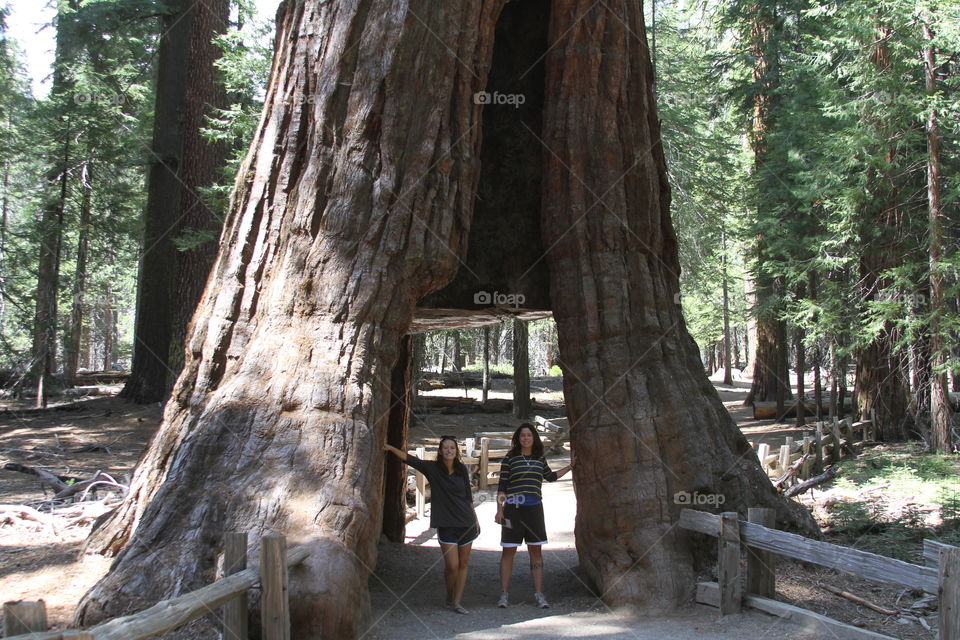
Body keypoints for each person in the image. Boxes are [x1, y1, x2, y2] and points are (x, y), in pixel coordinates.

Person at [384, 436, 480, 614]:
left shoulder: (461, 470)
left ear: (456, 451)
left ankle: (457, 602)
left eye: (452, 448)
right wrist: (390, 447)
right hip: (446, 524)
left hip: (466, 523)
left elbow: (468, 497)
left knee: (463, 564)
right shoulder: (433, 469)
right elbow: (409, 459)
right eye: (446, 448)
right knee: (452, 566)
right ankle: (449, 594)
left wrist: (475, 519)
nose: (449, 451)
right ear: (441, 451)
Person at [494, 423, 572, 609]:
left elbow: (551, 477)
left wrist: (571, 466)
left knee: (536, 552)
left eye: (529, 435)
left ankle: (539, 594)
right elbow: (502, 485)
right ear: (518, 438)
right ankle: (504, 594)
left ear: (534, 438)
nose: (526, 438)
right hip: (513, 510)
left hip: (534, 510)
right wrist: (500, 509)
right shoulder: (510, 458)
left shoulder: (539, 458)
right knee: (508, 551)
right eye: (523, 435)